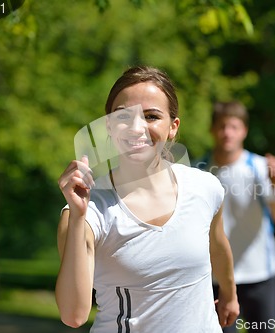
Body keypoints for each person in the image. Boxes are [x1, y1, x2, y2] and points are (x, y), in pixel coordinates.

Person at [56, 66, 239, 333]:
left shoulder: (205, 187)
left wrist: (230, 293)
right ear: (109, 125)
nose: (136, 127)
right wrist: (77, 217)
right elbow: (74, 315)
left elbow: (217, 243)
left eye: (151, 116)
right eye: (123, 116)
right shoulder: (89, 211)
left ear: (172, 128)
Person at [195, 101, 275, 333]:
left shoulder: (260, 168)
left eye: (234, 126)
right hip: (215, 278)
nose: (227, 133)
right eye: (222, 126)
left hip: (260, 275)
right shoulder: (196, 171)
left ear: (244, 131)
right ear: (212, 130)